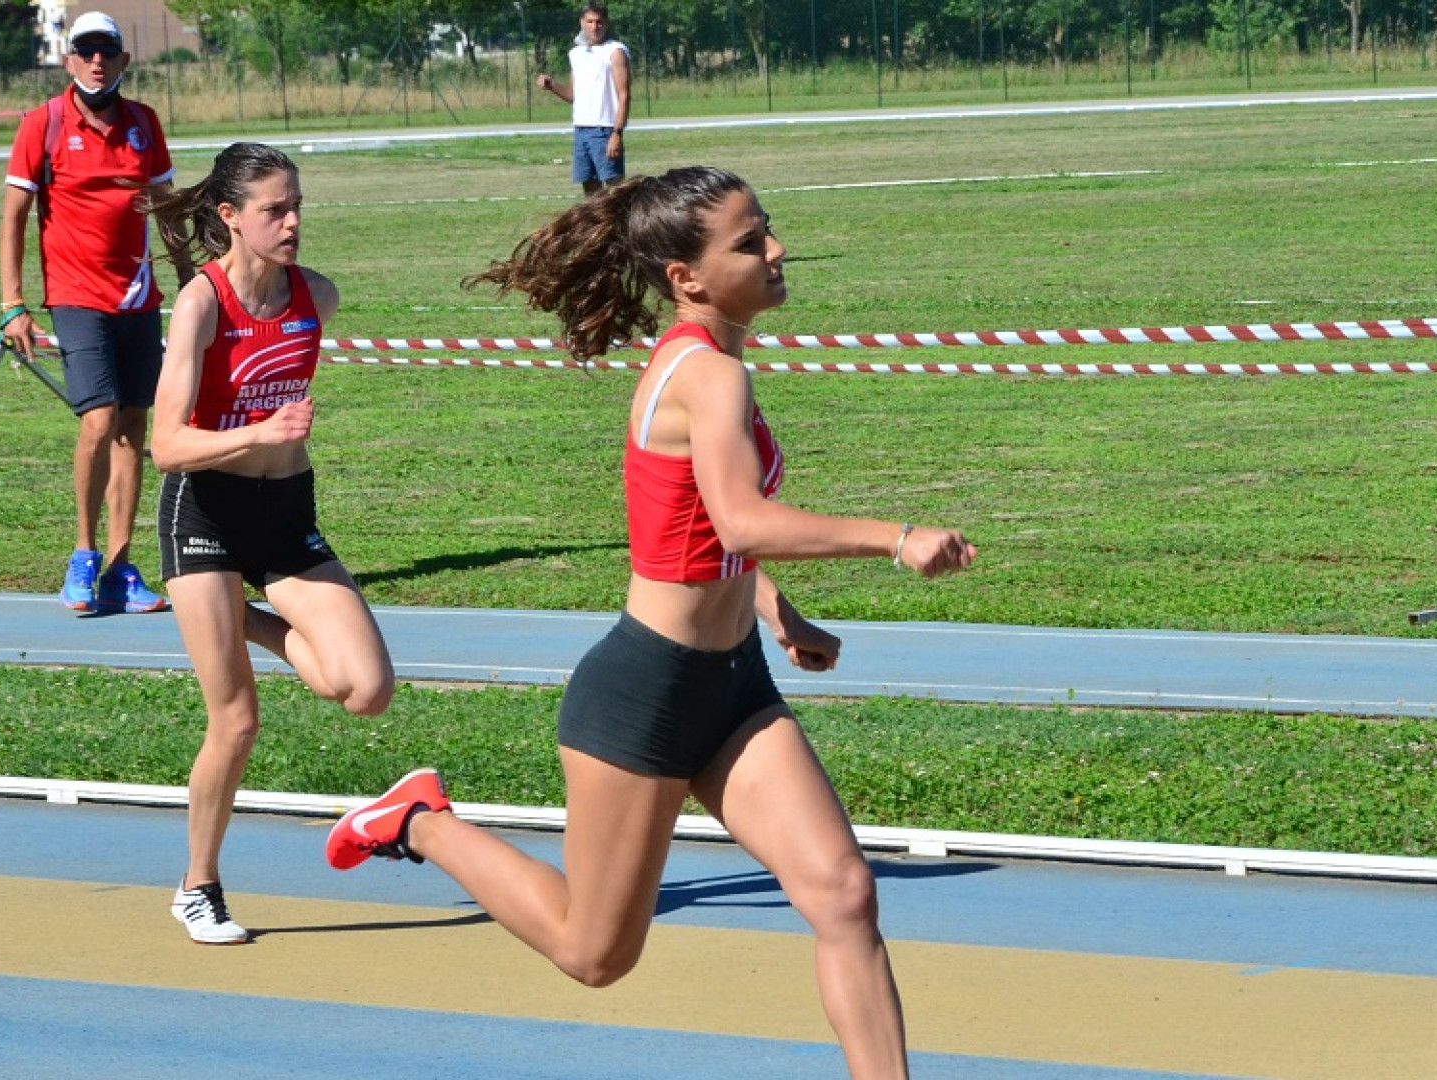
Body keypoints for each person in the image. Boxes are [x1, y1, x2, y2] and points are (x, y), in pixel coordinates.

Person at [326, 166, 976, 1079]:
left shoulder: (712, 362)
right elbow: (744, 520)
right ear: (687, 278)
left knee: (844, 894)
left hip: (733, 682)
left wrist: (778, 613)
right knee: (596, 955)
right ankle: (420, 820)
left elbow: (698, 531)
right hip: (646, 693)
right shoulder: (705, 375)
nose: (777, 250)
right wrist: (894, 537)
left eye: (769, 229)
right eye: (750, 243)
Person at [146, 143, 396, 944]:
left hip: (286, 514)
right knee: (238, 720)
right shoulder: (200, 302)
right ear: (229, 217)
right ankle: (199, 885)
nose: (292, 222)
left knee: (365, 688)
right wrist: (256, 430)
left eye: (297, 206)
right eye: (273, 210)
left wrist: (273, 444)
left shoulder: (314, 295)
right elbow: (167, 445)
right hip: (206, 514)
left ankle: (240, 618)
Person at [0, 11, 194, 615]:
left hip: (138, 297)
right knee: (98, 419)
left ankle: (120, 565)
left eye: (106, 50)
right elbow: (13, 218)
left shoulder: (143, 122)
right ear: (69, 59)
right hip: (76, 297)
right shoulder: (45, 124)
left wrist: (191, 280)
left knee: (136, 428)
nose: (96, 61)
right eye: (85, 51)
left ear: (123, 59)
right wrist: (13, 304)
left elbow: (167, 208)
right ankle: (82, 556)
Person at [536, 2, 631, 196]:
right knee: (591, 192)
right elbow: (574, 96)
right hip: (581, 129)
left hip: (605, 129)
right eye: (590, 21)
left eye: (599, 22)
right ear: (582, 23)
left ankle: (622, 226)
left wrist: (617, 133)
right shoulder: (576, 53)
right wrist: (552, 85)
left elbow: (624, 94)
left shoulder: (615, 51)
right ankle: (596, 227)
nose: (594, 26)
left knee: (615, 191)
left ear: (606, 23)